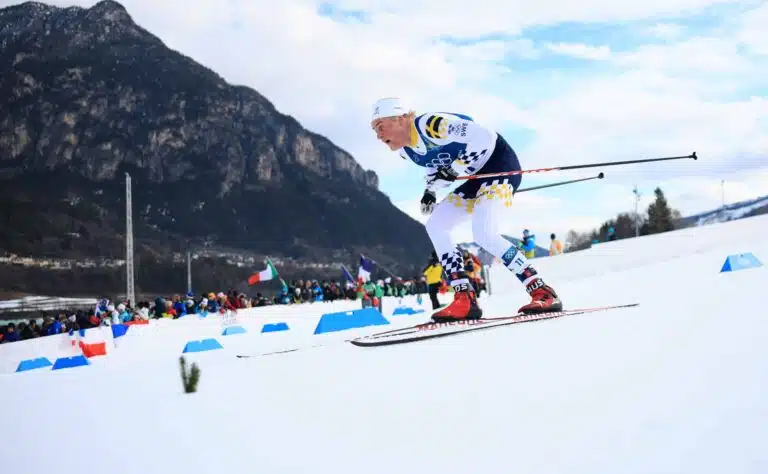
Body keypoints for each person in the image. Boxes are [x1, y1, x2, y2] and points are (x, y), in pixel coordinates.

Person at [370, 97, 562, 322]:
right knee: (436, 225)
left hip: (498, 168)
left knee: (484, 233)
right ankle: (465, 297)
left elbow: (484, 137)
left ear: (400, 119)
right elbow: (435, 169)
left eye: (380, 126)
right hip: (475, 179)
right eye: (374, 130)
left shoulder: (430, 125)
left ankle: (541, 291)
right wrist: (431, 191)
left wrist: (455, 168)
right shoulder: (407, 150)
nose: (378, 135)